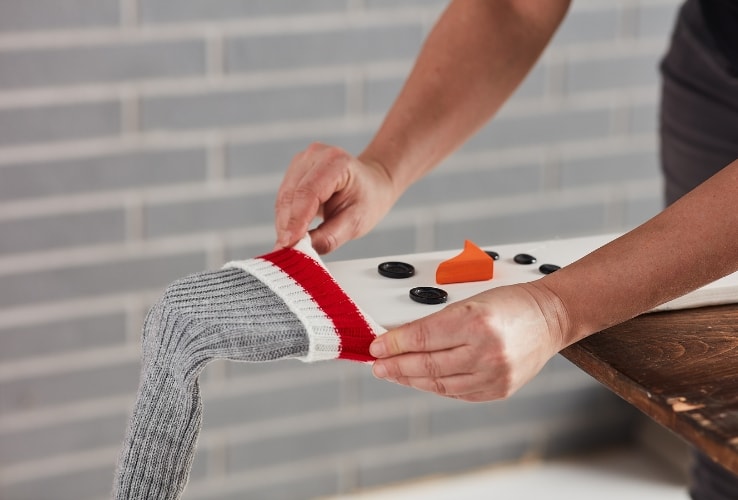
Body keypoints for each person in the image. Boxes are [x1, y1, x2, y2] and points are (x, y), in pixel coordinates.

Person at [274, 0, 738, 498]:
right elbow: (513, 8)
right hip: (719, 53)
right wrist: (384, 167)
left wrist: (555, 307)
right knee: (719, 425)